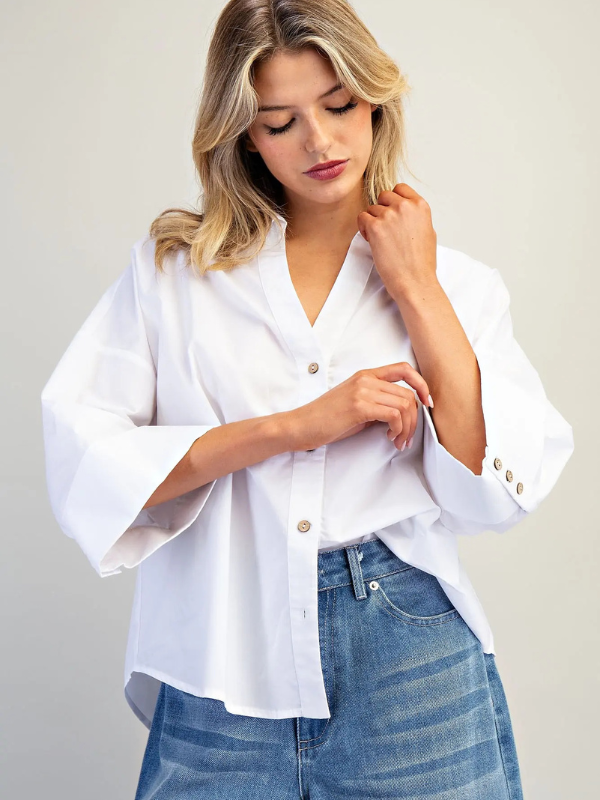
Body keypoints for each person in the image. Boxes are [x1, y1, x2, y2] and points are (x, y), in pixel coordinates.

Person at [40, 1, 574, 797]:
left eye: (338, 105)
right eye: (280, 121)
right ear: (245, 135)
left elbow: (486, 494)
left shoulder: (459, 285)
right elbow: (89, 464)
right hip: (220, 658)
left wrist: (418, 290)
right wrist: (295, 428)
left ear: (375, 100)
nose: (320, 143)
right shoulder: (175, 276)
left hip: (408, 657)